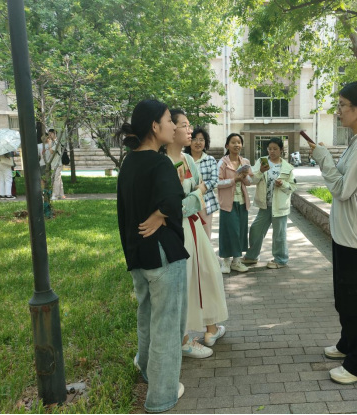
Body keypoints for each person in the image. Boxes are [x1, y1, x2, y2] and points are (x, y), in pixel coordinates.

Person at [309, 81, 357, 385]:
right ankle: (348, 344)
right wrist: (325, 157)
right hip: (347, 235)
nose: (338, 110)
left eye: (343, 105)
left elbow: (342, 189)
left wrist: (323, 159)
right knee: (346, 298)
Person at [116, 100, 189, 413]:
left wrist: (158, 214)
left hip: (138, 255)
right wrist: (161, 213)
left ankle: (147, 370)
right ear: (155, 127)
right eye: (169, 120)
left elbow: (125, 211)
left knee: (146, 318)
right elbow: (174, 199)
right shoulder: (160, 163)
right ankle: (161, 396)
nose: (173, 125)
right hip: (163, 256)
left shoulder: (128, 163)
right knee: (167, 327)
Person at [167, 110, 229, 359]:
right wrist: (198, 193)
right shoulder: (162, 163)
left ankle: (211, 329)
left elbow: (195, 198)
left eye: (190, 125)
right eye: (184, 125)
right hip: (176, 230)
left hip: (194, 227)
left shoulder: (187, 160)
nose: (190, 131)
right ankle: (183, 338)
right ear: (169, 128)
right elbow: (179, 205)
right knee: (185, 280)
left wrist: (196, 195)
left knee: (208, 274)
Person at [242, 137, 297, 269]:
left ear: (281, 150)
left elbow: (292, 187)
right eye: (270, 149)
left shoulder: (287, 167)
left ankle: (281, 260)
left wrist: (282, 184)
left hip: (280, 206)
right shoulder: (262, 161)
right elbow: (252, 180)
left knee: (279, 235)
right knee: (256, 230)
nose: (272, 151)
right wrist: (261, 171)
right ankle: (252, 256)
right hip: (265, 205)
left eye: (275, 149)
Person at [217, 133, 252, 274]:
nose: (236, 145)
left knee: (241, 232)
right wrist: (234, 180)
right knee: (228, 231)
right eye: (233, 142)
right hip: (228, 203)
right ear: (227, 145)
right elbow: (217, 182)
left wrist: (244, 177)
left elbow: (249, 182)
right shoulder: (223, 162)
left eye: (239, 142)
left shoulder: (245, 162)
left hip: (242, 202)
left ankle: (236, 261)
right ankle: (226, 261)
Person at [184, 127, 219, 240]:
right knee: (189, 236)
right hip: (186, 202)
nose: (198, 142)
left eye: (201, 140)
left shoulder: (210, 160)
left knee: (205, 236)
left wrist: (202, 187)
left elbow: (215, 180)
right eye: (194, 139)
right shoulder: (183, 159)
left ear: (205, 142)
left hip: (205, 203)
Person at [44, 129, 66, 201]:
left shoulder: (56, 142)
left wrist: (49, 144)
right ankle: (61, 194)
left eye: (51, 134)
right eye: (49, 134)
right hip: (54, 163)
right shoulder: (53, 142)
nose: (49, 135)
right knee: (58, 179)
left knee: (55, 179)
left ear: (55, 134)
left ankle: (55, 195)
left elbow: (51, 151)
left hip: (57, 164)